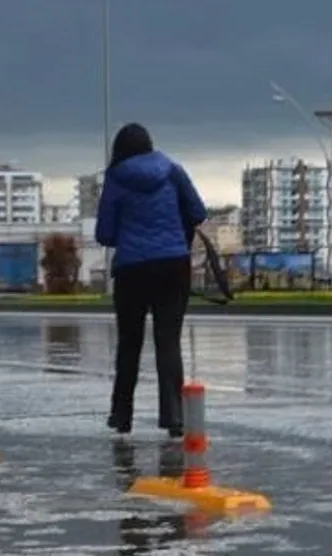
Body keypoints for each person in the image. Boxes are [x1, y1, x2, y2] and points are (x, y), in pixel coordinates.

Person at [95, 123, 207, 438]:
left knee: (129, 342)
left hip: (132, 268)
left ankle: (121, 415)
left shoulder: (116, 178)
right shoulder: (173, 171)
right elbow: (198, 212)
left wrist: (128, 233)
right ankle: (174, 417)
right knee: (168, 340)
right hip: (173, 265)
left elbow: (104, 233)